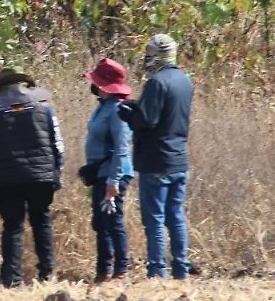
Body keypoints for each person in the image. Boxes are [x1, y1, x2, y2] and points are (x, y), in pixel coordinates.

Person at [0, 68, 64, 287]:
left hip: (6, 179)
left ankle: (12, 280)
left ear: (1, 88)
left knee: (13, 225)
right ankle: (48, 275)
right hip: (41, 176)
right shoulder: (44, 107)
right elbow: (58, 143)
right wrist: (57, 172)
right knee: (42, 221)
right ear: (25, 85)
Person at [118, 34, 194, 280]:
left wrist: (128, 112)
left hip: (156, 160)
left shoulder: (156, 83)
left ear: (155, 56)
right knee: (176, 217)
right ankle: (181, 269)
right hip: (179, 158)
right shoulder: (185, 81)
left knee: (155, 219)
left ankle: (157, 272)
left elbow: (146, 121)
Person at [82, 59, 134, 283]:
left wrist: (113, 181)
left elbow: (122, 147)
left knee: (112, 222)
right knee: (100, 222)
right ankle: (103, 271)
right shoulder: (103, 106)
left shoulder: (118, 110)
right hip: (101, 173)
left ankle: (120, 270)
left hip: (113, 173)